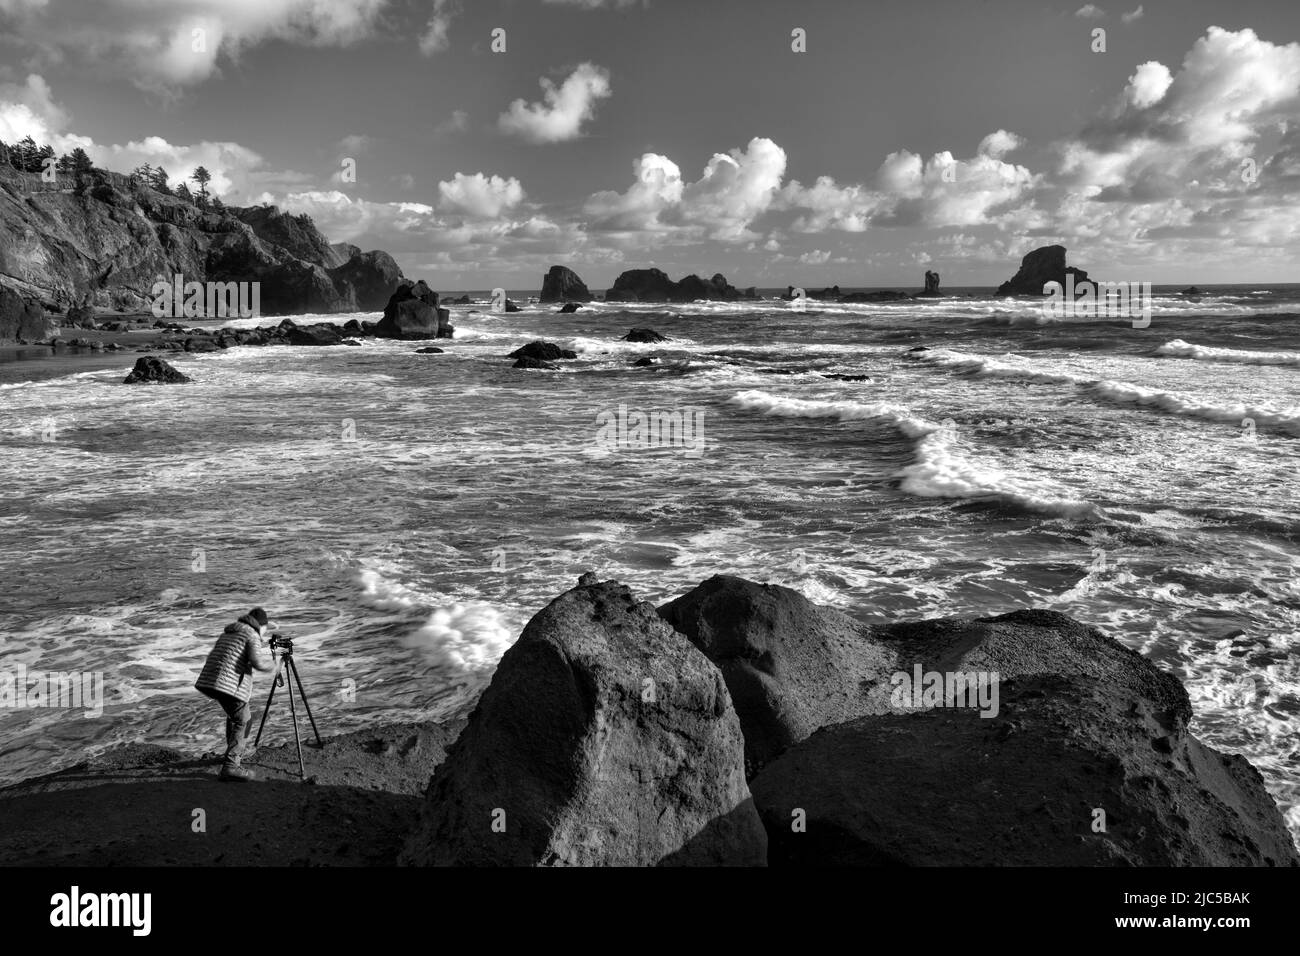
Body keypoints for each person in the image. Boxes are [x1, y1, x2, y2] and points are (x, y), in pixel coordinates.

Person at [195, 607, 275, 782]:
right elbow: (257, 662)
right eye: (266, 628)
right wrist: (276, 667)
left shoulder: (229, 634)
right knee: (244, 720)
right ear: (260, 626)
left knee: (235, 716)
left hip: (209, 681)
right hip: (226, 685)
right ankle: (231, 766)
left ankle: (233, 753)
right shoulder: (252, 636)